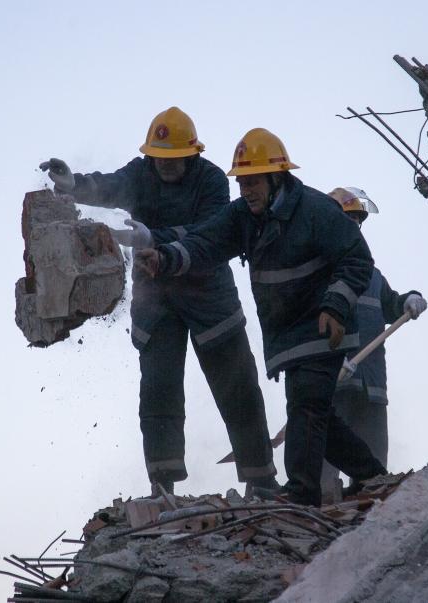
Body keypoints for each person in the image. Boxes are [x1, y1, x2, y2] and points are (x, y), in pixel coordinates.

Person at [135, 128, 387, 506]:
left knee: (304, 405)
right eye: (243, 183)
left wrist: (335, 306)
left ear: (276, 177)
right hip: (289, 335)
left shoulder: (317, 211)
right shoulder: (243, 218)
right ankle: (372, 476)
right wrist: (165, 257)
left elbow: (357, 259)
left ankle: (301, 493)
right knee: (318, 415)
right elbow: (207, 242)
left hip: (323, 326)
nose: (247, 190)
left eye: (254, 182)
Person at [39, 107, 278, 495]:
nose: (164, 167)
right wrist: (72, 184)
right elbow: (109, 185)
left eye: (173, 160)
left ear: (192, 155)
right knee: (158, 391)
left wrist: (156, 237)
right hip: (157, 301)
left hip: (209, 296)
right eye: (158, 158)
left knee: (238, 387)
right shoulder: (141, 171)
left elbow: (211, 232)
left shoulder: (212, 180)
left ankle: (261, 479)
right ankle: (162, 484)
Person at [320, 187, 427, 498]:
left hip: (371, 390)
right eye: (347, 219)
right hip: (333, 389)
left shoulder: (372, 275)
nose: (353, 226)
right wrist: (329, 361)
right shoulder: (319, 273)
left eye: (357, 220)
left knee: (375, 479)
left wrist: (410, 299)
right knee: (324, 478)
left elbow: (392, 304)